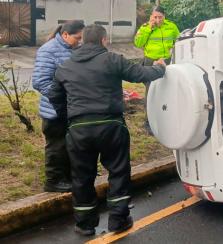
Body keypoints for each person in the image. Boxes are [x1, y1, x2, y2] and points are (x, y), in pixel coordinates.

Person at [48, 25, 166, 236]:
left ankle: (85, 225)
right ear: (104, 40)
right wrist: (160, 68)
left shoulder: (65, 66)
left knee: (82, 176)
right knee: (118, 171)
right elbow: (140, 74)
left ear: (83, 40)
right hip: (111, 126)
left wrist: (70, 117)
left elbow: (54, 96)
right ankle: (118, 220)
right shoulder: (112, 60)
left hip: (79, 130)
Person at [32, 20, 85, 192]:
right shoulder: (49, 50)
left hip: (72, 108)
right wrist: (61, 100)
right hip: (55, 110)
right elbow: (40, 81)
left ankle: (68, 177)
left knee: (69, 144)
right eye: (77, 38)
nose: (80, 41)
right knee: (56, 146)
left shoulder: (73, 49)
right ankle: (53, 181)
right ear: (65, 35)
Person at [134, 6, 179, 133]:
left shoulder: (171, 26)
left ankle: (169, 117)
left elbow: (179, 39)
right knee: (151, 92)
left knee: (168, 89)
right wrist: (149, 28)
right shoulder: (144, 28)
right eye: (155, 17)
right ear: (151, 17)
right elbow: (138, 43)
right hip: (151, 62)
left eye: (160, 17)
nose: (158, 19)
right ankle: (149, 123)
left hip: (167, 61)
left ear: (164, 17)